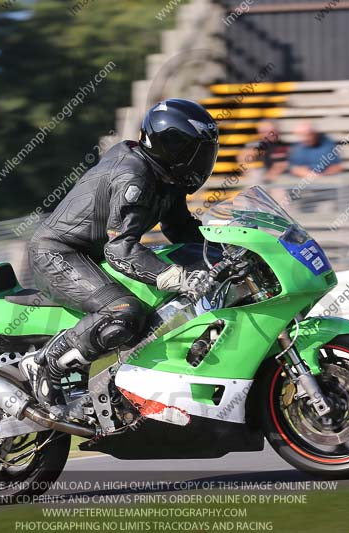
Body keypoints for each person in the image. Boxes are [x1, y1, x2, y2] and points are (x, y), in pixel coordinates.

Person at [20, 98, 220, 408]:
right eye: (193, 150)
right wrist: (178, 277)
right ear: (170, 146)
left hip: (91, 255)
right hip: (58, 254)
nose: (201, 160)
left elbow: (180, 228)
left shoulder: (166, 176)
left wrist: (225, 254)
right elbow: (120, 250)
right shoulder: (133, 177)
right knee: (124, 313)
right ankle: (45, 363)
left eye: (206, 151)